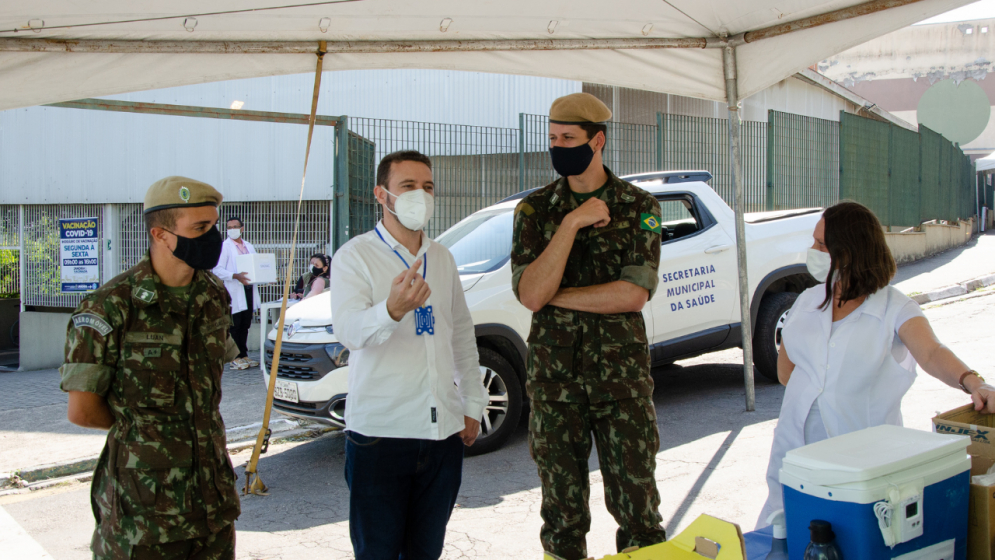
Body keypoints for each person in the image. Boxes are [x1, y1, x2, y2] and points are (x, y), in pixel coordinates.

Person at [757, 201, 995, 526]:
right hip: (795, 455)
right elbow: (787, 373)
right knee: (786, 536)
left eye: (822, 245)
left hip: (863, 463)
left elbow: (931, 353)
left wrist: (972, 381)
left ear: (851, 251)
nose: (813, 250)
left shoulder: (894, 308)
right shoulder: (806, 301)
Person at [511, 92, 667, 560]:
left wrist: (556, 296)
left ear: (597, 141)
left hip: (621, 384)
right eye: (553, 138)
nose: (558, 147)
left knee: (639, 512)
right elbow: (530, 294)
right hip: (556, 386)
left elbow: (633, 294)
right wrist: (572, 224)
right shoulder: (535, 212)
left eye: (569, 138)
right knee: (561, 518)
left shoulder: (639, 206)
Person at [59, 176, 241, 559]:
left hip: (213, 506)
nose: (213, 238)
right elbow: (83, 410)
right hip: (143, 515)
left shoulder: (213, 295)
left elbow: (208, 393)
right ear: (160, 235)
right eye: (200, 228)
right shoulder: (109, 306)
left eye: (214, 226)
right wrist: (152, 434)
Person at [330, 150, 488, 560]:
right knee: (378, 552)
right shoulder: (355, 256)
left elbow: (461, 335)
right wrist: (391, 309)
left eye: (428, 187)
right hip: (381, 436)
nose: (421, 195)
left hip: (441, 436)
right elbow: (348, 333)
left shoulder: (441, 257)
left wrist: (472, 401)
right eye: (408, 186)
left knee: (426, 550)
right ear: (382, 195)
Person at [213, 216, 260, 370]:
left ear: (242, 228)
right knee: (235, 324)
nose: (232, 229)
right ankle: (234, 357)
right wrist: (235, 276)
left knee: (245, 324)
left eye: (235, 226)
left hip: (247, 288)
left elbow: (256, 265)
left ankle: (244, 354)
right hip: (233, 290)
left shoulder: (248, 246)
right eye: (229, 227)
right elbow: (217, 270)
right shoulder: (224, 247)